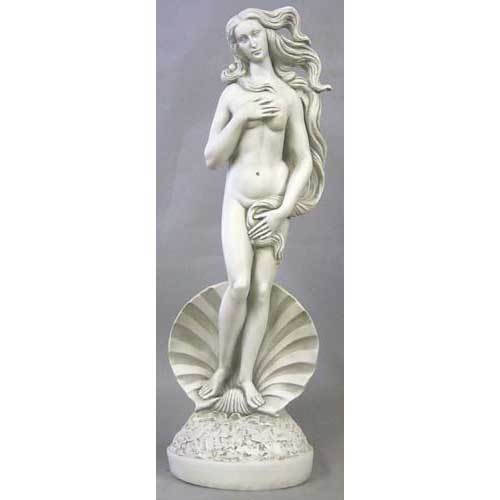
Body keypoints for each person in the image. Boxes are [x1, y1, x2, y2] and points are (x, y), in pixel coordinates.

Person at [198, 7, 330, 410]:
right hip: (237, 200)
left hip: (272, 205)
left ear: (269, 35)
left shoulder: (289, 96)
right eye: (242, 38)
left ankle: (245, 376)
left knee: (260, 291)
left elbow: (302, 160)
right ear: (235, 47)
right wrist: (242, 117)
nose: (251, 43)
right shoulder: (232, 95)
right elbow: (212, 158)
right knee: (239, 284)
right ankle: (222, 368)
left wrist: (282, 211)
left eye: (255, 34)